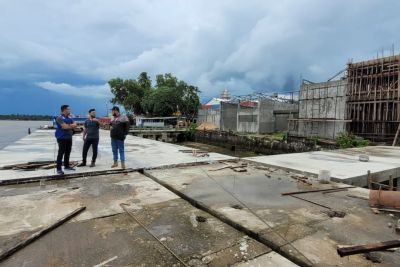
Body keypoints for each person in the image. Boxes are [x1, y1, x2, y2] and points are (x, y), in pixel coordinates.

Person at [55, 105, 77, 175]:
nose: (70, 110)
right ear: (64, 110)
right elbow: (64, 127)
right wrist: (70, 125)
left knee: (68, 152)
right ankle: (58, 169)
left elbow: (75, 125)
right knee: (61, 153)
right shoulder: (59, 118)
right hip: (61, 138)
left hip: (69, 137)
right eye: (68, 109)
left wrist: (68, 126)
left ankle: (66, 166)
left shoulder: (70, 117)